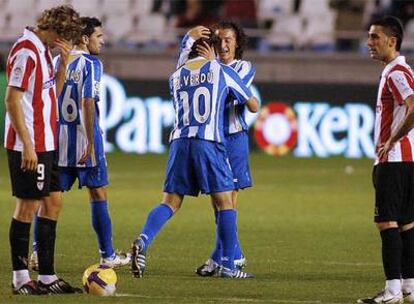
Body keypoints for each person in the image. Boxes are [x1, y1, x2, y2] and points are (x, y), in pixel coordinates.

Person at [130, 34, 259, 279]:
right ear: (210, 48)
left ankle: (144, 240)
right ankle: (230, 265)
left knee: (170, 202)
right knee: (225, 202)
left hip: (179, 142)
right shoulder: (221, 70)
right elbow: (252, 104)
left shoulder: (175, 76)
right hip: (208, 141)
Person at [29, 17, 130, 270]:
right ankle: (107, 255)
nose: (103, 41)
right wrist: (89, 141)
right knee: (98, 193)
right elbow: (88, 102)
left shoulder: (55, 61)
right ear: (85, 39)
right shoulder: (91, 63)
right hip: (85, 142)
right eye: (99, 36)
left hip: (58, 143)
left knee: (48, 200)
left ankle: (36, 252)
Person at [4, 5, 82, 295]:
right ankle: (21, 278)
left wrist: (63, 64)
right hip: (30, 144)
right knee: (27, 206)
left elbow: (52, 93)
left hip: (46, 142)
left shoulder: (43, 52)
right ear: (57, 30)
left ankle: (48, 276)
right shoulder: (26, 51)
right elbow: (12, 100)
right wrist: (27, 144)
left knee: (53, 203)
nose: (65, 41)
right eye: (65, 36)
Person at [177, 21, 256, 276]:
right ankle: (228, 256)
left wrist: (211, 66)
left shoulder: (243, 67)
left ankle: (225, 258)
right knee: (218, 202)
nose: (223, 45)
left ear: (237, 43)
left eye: (228, 40)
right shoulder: (208, 69)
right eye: (219, 40)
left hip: (232, 139)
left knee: (228, 200)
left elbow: (231, 95)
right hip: (211, 140)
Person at [358, 16, 414, 304]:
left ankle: (392, 291)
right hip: (406, 161)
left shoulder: (396, 73)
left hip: (394, 161)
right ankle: (408, 286)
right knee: (405, 223)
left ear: (392, 41)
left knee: (387, 222)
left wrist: (392, 139)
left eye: (375, 37)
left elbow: (413, 105)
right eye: (370, 37)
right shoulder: (399, 71)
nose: (370, 43)